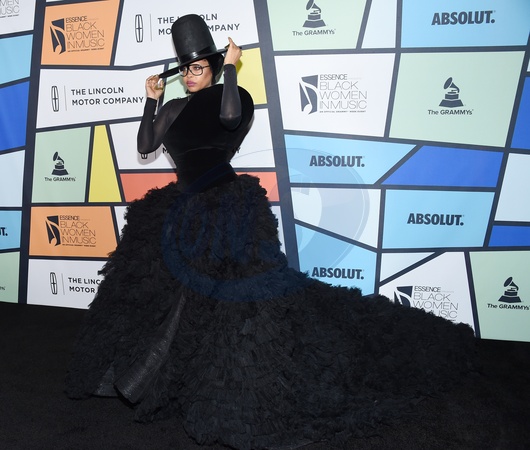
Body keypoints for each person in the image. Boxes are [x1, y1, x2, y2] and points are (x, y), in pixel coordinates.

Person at [66, 14, 476, 450]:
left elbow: (229, 119)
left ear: (213, 66)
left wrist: (230, 68)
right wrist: (151, 101)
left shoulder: (234, 96)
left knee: (226, 307)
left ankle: (170, 380)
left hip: (224, 207)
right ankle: (143, 376)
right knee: (153, 292)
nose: (189, 75)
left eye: (198, 67)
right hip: (179, 209)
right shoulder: (172, 108)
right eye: (185, 69)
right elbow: (146, 145)